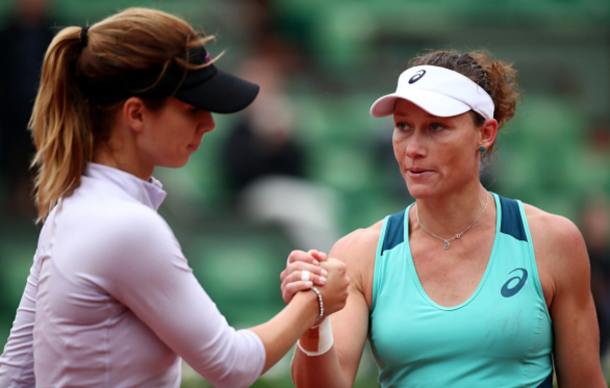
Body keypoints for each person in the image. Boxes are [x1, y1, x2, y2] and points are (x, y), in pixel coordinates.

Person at [0, 8, 349, 388]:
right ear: (136, 114)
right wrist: (314, 298)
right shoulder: (127, 225)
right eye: (191, 108)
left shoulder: (71, 207)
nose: (209, 122)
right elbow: (232, 365)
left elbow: (15, 374)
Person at [280, 50, 607, 387]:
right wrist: (313, 324)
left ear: (486, 134)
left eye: (436, 127)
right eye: (403, 126)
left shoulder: (553, 241)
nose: (413, 148)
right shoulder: (359, 254)